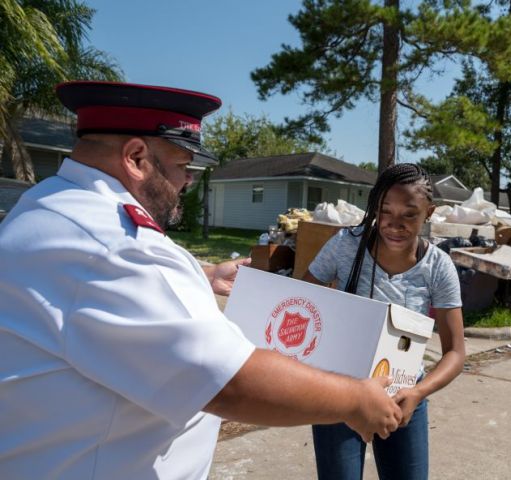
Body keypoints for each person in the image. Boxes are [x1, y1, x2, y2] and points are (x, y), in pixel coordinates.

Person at [0, 81, 402, 480]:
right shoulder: (114, 246)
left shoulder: (50, 206)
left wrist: (202, 275)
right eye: (182, 165)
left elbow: (90, 296)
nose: (188, 181)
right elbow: (233, 382)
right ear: (137, 158)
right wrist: (356, 399)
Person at [303, 163, 466, 480]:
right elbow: (303, 302)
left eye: (409, 214)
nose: (394, 223)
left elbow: (456, 353)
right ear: (374, 206)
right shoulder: (345, 246)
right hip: (341, 395)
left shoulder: (438, 267)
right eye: (385, 210)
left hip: (404, 400)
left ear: (428, 213)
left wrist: (418, 393)